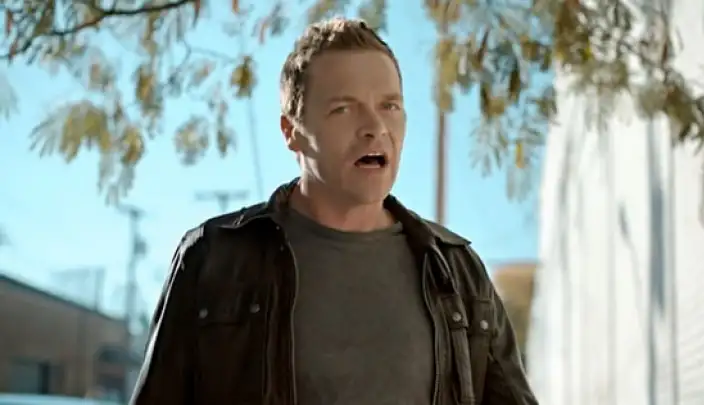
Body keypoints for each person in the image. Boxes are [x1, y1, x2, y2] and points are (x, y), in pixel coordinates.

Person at [130, 17, 537, 405]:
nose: (375, 127)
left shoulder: (456, 270)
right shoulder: (215, 257)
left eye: (390, 106)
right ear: (292, 132)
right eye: (344, 108)